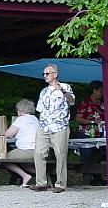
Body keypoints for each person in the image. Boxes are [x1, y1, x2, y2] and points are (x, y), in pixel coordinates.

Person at [31, 63, 75, 193]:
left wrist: (63, 91)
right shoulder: (44, 91)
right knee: (39, 152)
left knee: (60, 154)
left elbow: (71, 100)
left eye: (47, 73)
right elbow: (40, 109)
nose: (45, 76)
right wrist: (41, 122)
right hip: (44, 126)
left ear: (55, 74)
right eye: (43, 74)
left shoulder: (65, 86)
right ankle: (41, 182)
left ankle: (60, 184)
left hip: (60, 125)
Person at [75, 80, 105, 185]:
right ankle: (87, 179)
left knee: (99, 154)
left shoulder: (102, 104)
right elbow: (78, 118)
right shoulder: (85, 103)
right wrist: (92, 122)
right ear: (94, 90)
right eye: (100, 91)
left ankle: (97, 178)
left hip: (100, 134)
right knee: (87, 155)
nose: (102, 94)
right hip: (86, 133)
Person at [4, 99, 39, 187]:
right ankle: (45, 175)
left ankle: (25, 176)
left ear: (21, 110)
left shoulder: (20, 119)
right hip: (38, 150)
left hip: (26, 150)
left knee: (4, 158)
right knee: (26, 165)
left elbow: (8, 134)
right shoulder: (36, 119)